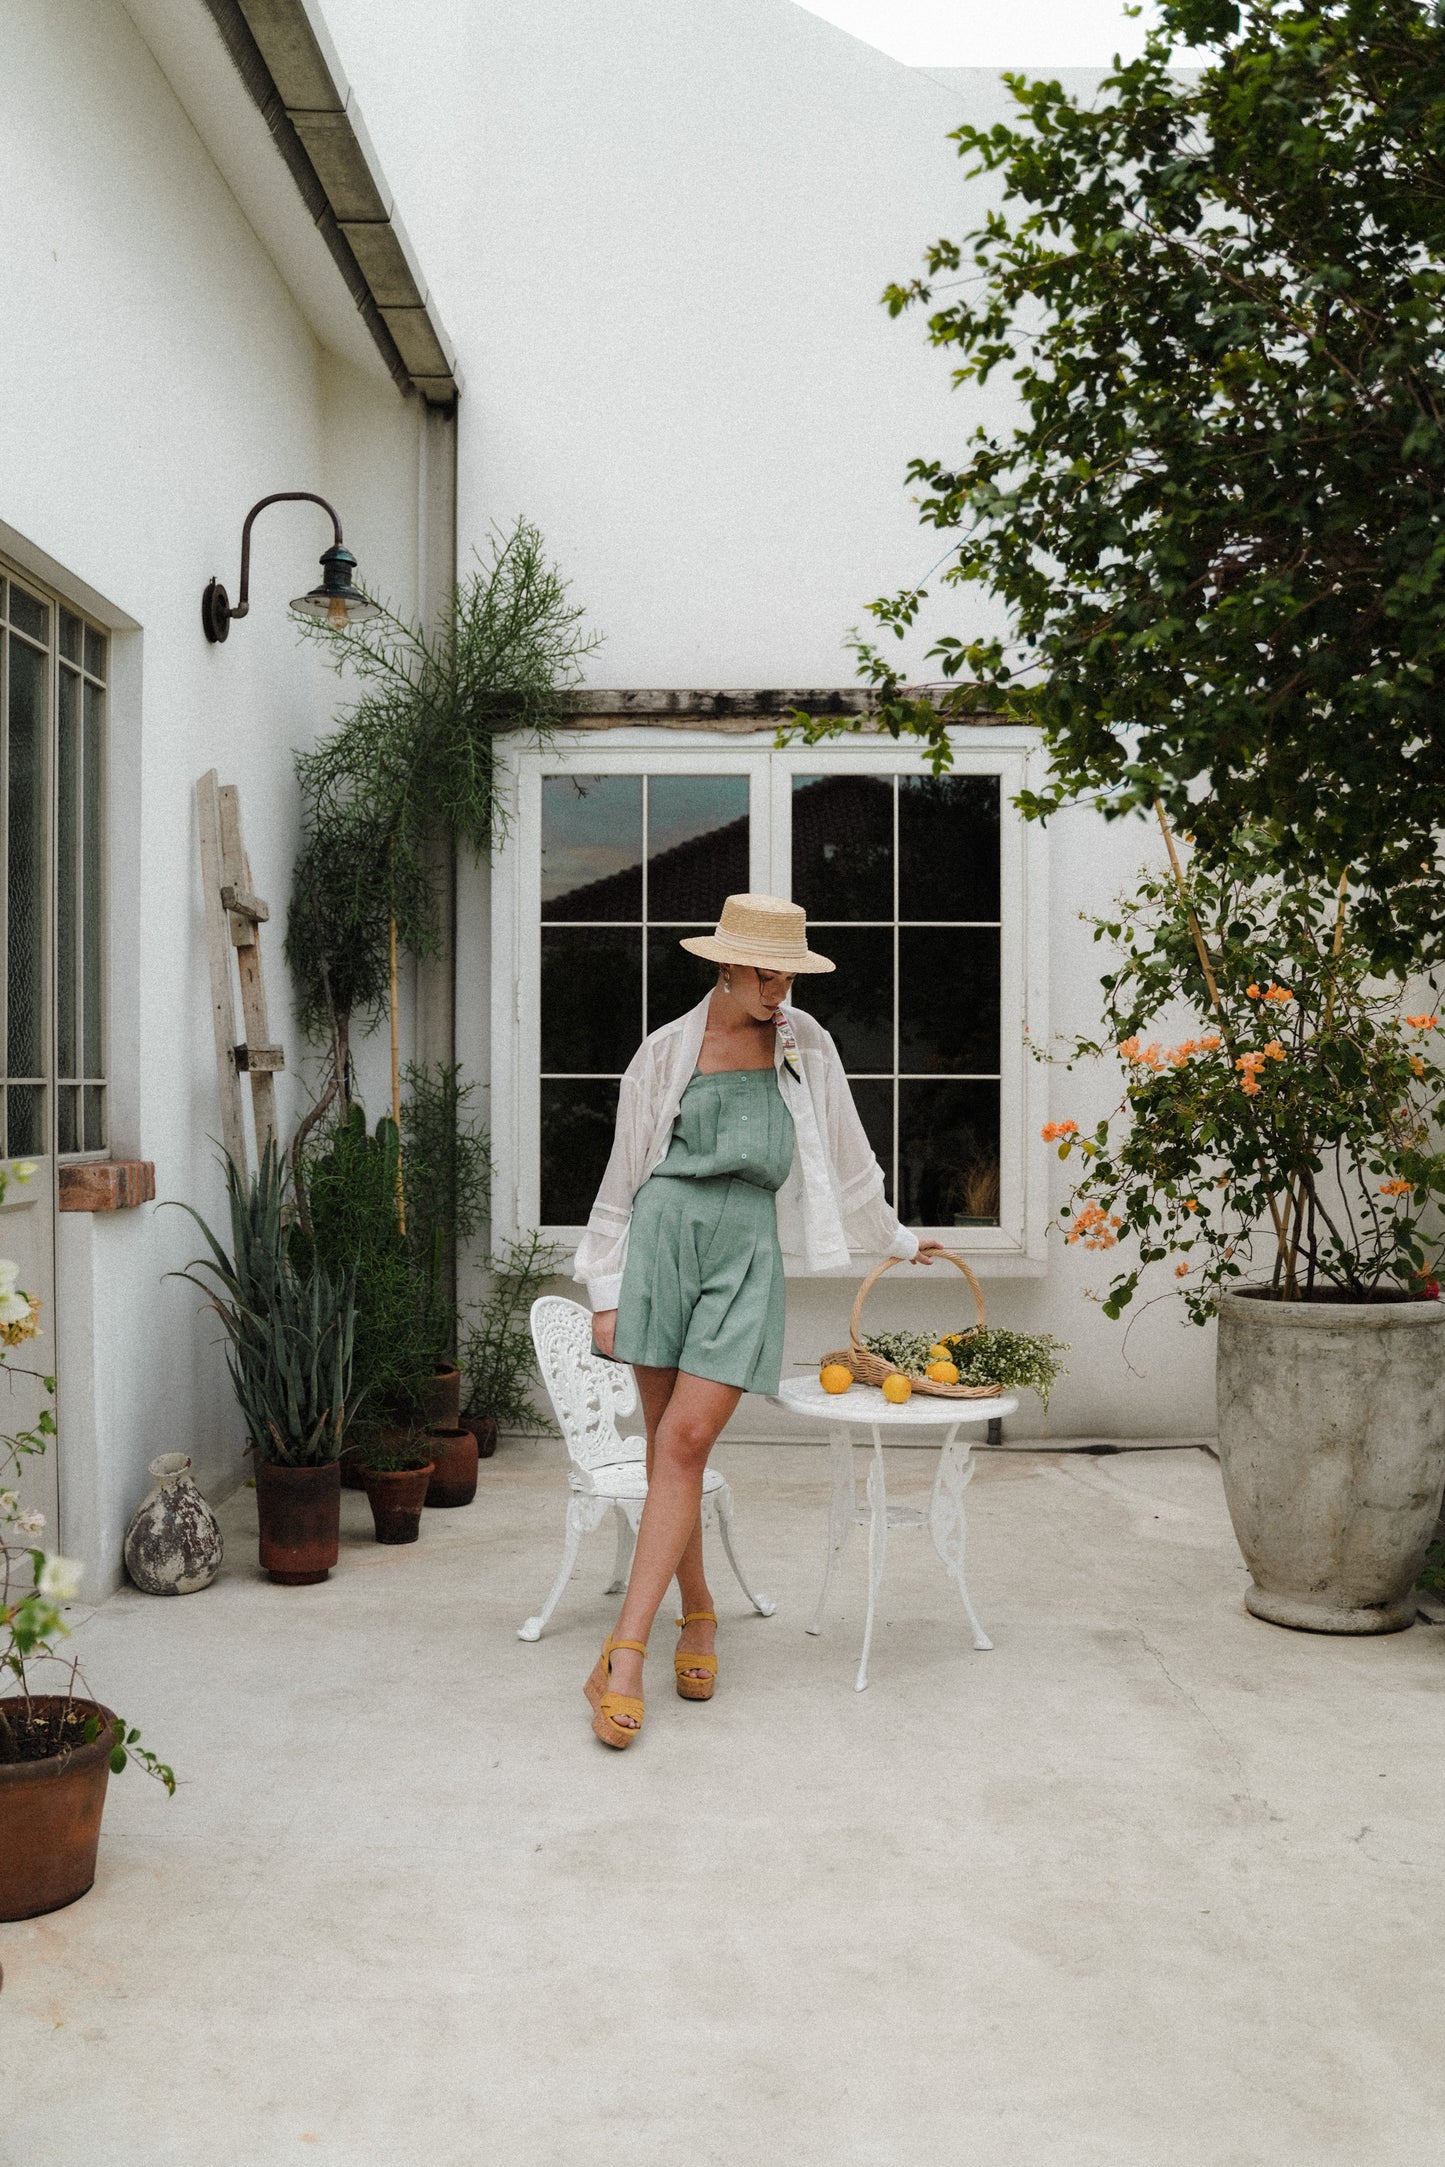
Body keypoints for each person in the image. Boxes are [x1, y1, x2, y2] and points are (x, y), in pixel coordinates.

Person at [575, 892, 942, 1748]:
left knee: (686, 1439)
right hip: (661, 1244)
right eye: (766, 973)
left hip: (745, 1251)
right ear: (726, 965)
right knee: (674, 1443)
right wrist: (604, 1290)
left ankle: (619, 1656)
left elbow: (849, 1157)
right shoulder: (666, 1051)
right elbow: (623, 1177)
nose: (779, 989)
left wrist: (894, 1237)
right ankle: (695, 1613)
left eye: (790, 973)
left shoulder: (805, 1045)